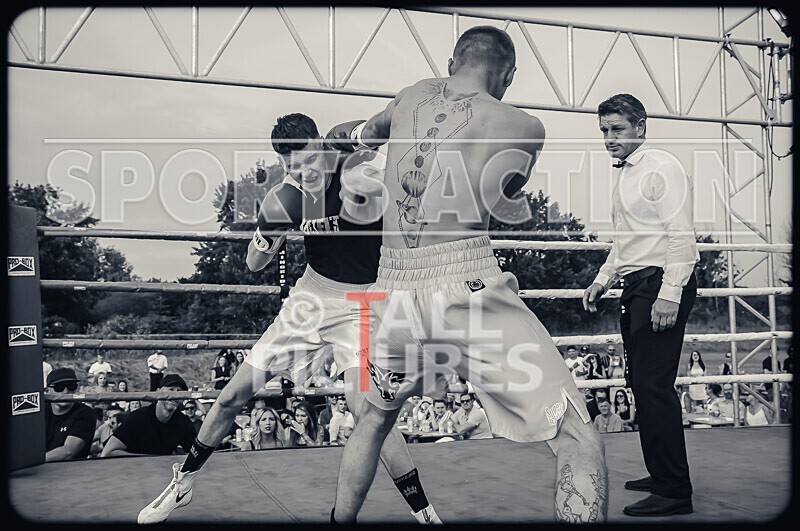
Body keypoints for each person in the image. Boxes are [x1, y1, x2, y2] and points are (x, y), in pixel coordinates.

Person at [331, 26, 606, 524]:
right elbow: (503, 197)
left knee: (372, 418)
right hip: (464, 283)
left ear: (453, 58)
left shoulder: (409, 93)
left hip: (388, 292)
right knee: (575, 434)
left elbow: (364, 136)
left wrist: (357, 139)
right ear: (508, 74)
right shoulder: (523, 125)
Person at [138, 113, 440, 525]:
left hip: (365, 302)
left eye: (306, 162)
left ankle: (425, 512)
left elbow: (383, 127)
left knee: (369, 414)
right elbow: (253, 263)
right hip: (312, 297)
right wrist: (269, 232)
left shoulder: (346, 154)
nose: (301, 173)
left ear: (319, 147)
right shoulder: (287, 197)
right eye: (289, 167)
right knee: (231, 396)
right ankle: (183, 482)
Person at [583, 93, 698, 517]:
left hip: (659, 285)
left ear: (640, 128)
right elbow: (626, 241)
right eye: (604, 131)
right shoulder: (628, 174)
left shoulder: (660, 166)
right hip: (636, 285)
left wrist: (669, 294)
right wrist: (601, 280)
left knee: (653, 387)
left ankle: (673, 491)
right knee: (640, 384)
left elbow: (681, 236)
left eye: (617, 130)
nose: (609, 139)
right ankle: (661, 471)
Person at [101, 374, 195, 458]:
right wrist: (148, 459)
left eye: (179, 391)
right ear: (158, 392)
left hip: (162, 473)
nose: (175, 395)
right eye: (171, 390)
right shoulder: (138, 418)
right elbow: (108, 452)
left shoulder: (184, 423)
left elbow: (196, 454)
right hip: (131, 471)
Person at [44, 368, 96, 462]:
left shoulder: (85, 413)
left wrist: (31, 461)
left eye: (71, 386)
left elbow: (68, 452)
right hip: (37, 470)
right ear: (47, 391)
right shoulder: (39, 411)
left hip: (71, 471)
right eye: (59, 387)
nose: (66, 391)